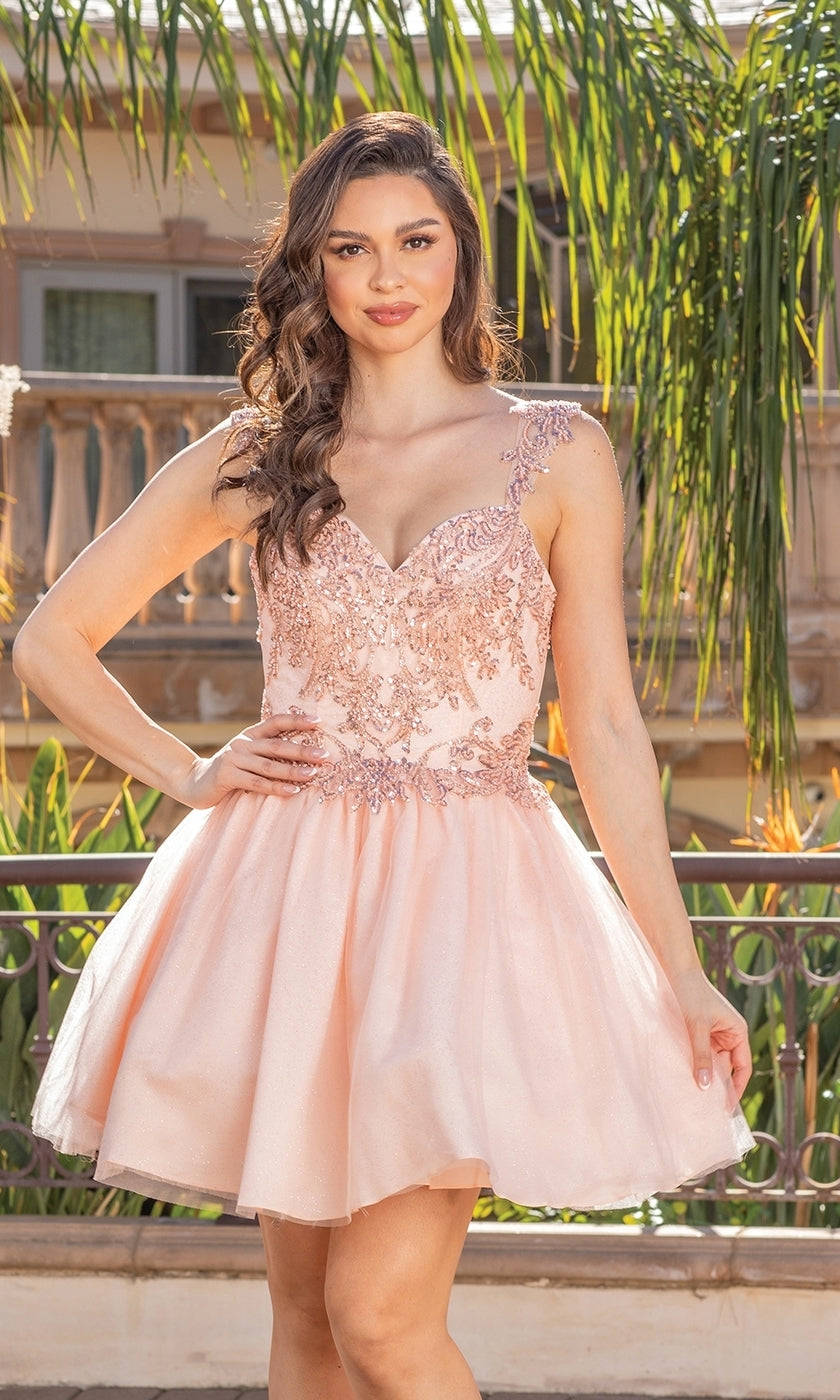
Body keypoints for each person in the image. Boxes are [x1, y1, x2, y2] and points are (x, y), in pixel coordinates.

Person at [16, 111, 753, 1400]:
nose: (389, 276)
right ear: (314, 271)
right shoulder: (261, 454)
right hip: (286, 899)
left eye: (417, 240)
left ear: (461, 254)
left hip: (472, 907)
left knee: (381, 1315)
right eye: (352, 250)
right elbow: (51, 639)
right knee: (304, 1321)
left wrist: (680, 969)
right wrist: (190, 772)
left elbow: (611, 728)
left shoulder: (556, 451)